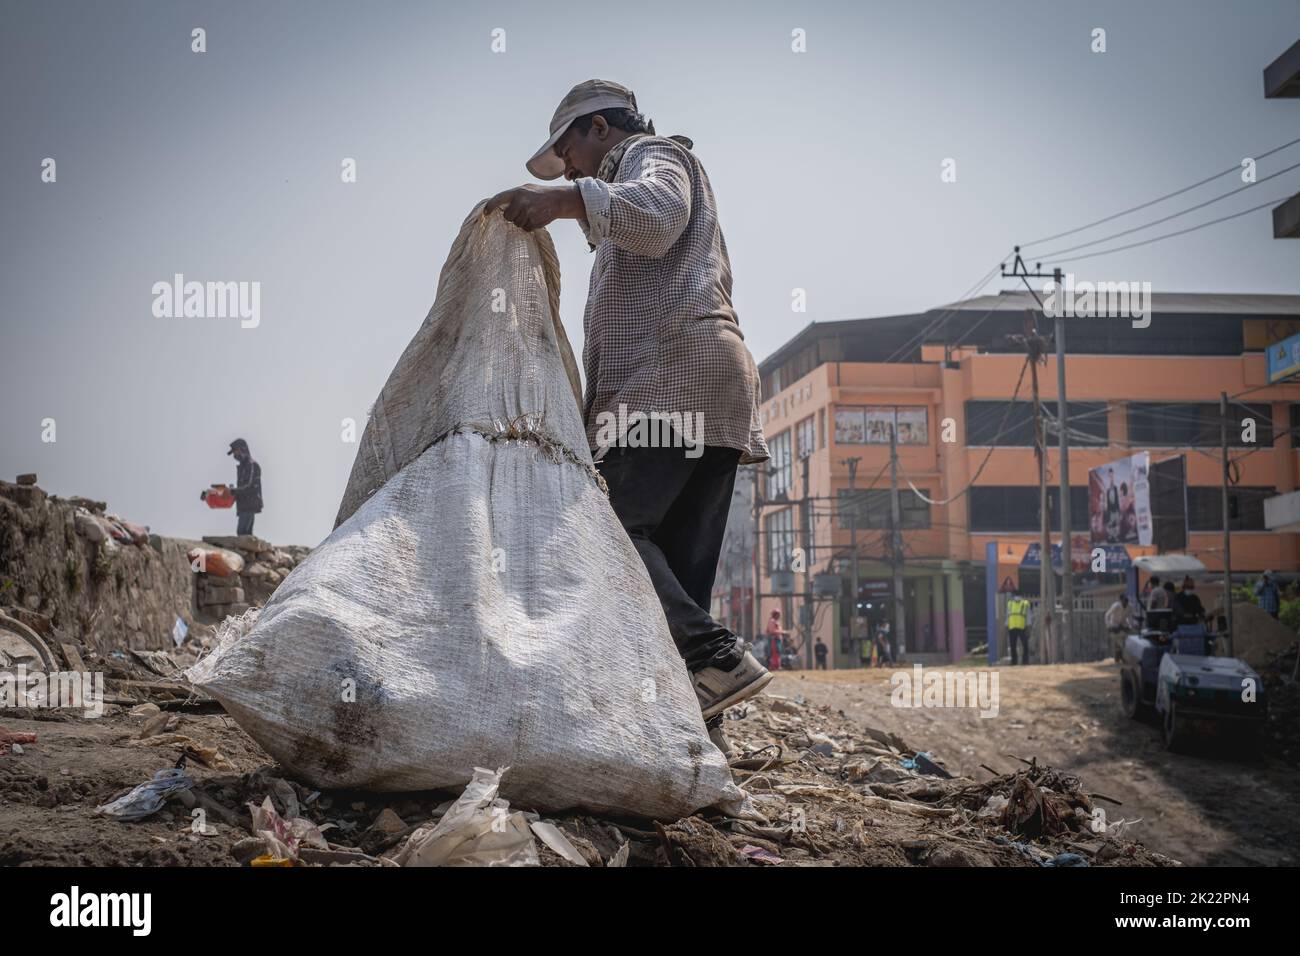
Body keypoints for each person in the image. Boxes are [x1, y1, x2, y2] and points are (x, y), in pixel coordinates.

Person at [487, 80, 770, 721]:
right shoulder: (616, 203)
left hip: (672, 384)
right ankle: (699, 724)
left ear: (599, 129)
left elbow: (658, 212)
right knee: (675, 572)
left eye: (567, 153)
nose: (568, 169)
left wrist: (562, 198)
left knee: (608, 529)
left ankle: (718, 657)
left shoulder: (653, 156)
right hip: (709, 389)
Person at [225, 438, 262, 536]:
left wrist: (232, 491)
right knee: (244, 534)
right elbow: (240, 489)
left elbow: (250, 487)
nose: (235, 455)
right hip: (243, 506)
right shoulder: (242, 467)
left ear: (243, 449)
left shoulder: (252, 465)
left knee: (242, 533)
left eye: (236, 452)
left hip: (249, 505)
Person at [1105, 593, 1133, 661]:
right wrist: (1108, 626)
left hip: (1123, 625)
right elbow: (1107, 615)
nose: (1126, 601)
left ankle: (1122, 657)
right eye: (1124, 600)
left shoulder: (1130, 606)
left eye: (1127, 600)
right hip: (1114, 625)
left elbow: (1130, 617)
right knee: (1117, 641)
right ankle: (1118, 658)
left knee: (1124, 641)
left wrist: (1130, 625)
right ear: (1121, 600)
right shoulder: (1116, 606)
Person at [1006, 590, 1031, 665]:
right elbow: (1008, 615)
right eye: (1016, 596)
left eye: (1018, 595)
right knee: (1013, 646)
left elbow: (1028, 616)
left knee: (1025, 645)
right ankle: (1014, 662)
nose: (1017, 597)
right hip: (1012, 627)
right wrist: (1007, 625)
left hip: (1022, 627)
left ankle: (1025, 661)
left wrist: (1028, 626)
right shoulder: (1010, 604)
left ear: (1021, 596)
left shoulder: (1025, 604)